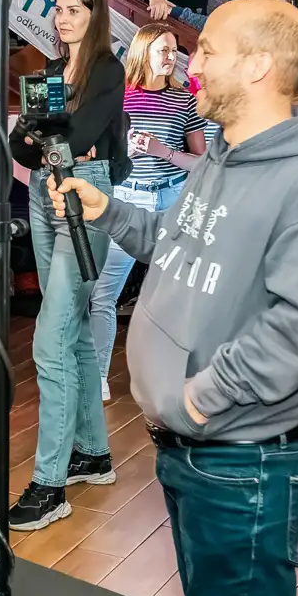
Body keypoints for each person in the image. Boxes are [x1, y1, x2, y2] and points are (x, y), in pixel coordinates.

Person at [49, 0, 298, 596]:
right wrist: (108, 210)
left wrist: (198, 399)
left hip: (242, 457)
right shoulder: (223, 157)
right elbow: (171, 241)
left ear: (258, 65)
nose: (193, 67)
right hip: (193, 447)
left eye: (209, 53)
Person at [7, 0, 129, 531]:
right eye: (57, 9)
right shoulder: (51, 71)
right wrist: (47, 138)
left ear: (93, 15)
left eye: (73, 9)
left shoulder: (106, 69)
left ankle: (49, 484)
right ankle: (93, 454)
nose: (61, 17)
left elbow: (78, 136)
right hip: (41, 190)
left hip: (84, 189)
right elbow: (20, 145)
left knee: (49, 339)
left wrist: (48, 136)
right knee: (73, 327)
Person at [89, 22, 204, 402]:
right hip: (126, 198)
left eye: (174, 50)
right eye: (163, 50)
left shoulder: (185, 100)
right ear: (143, 53)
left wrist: (161, 151)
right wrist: (122, 152)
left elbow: (202, 164)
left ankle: (177, 379)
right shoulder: (119, 98)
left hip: (172, 200)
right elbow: (96, 153)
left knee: (179, 296)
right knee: (104, 294)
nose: (171, 57)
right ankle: (97, 377)